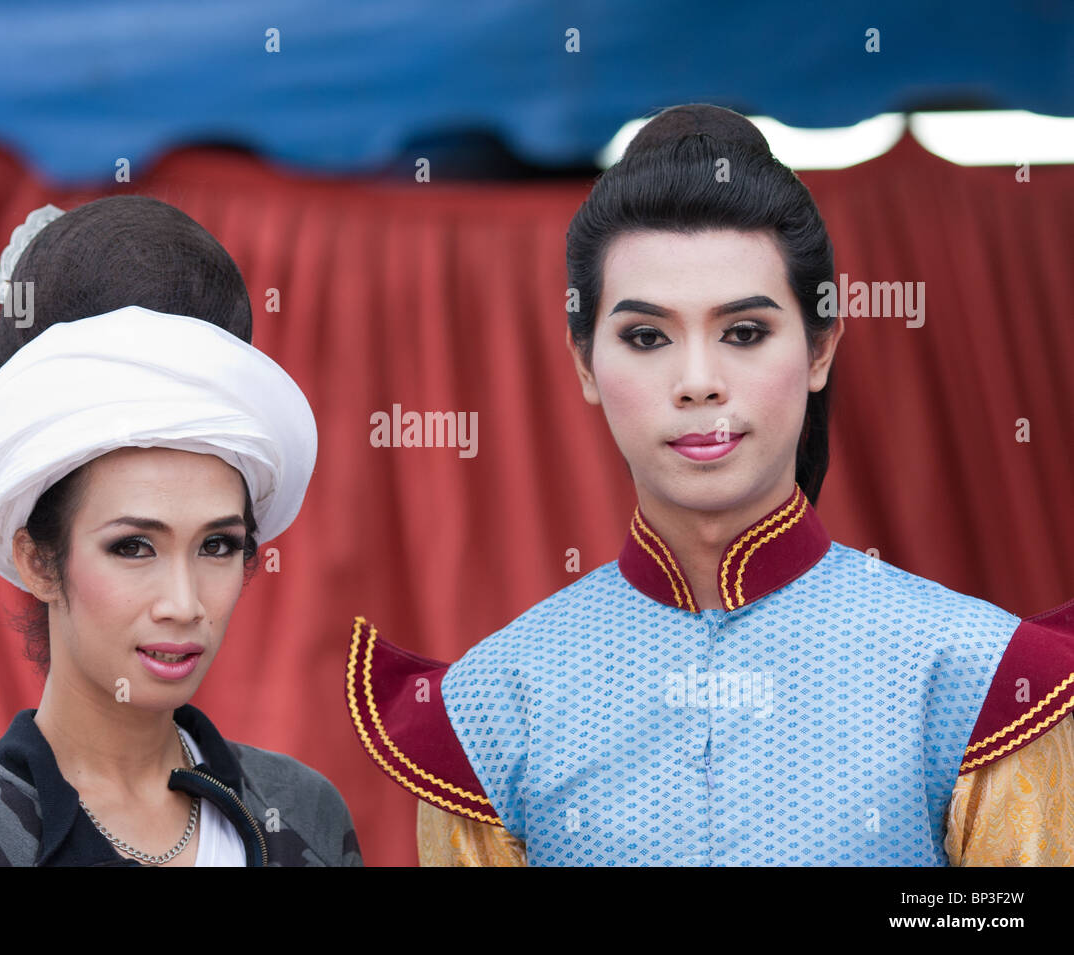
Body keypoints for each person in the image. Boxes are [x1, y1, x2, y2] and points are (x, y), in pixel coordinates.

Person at [345, 105, 1074, 866]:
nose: (697, 382)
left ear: (821, 348)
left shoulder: (979, 679)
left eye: (745, 332)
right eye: (648, 337)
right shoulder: (493, 709)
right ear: (585, 364)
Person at [0, 196, 362, 866]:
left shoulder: (304, 816)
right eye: (133, 546)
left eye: (217, 545)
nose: (185, 602)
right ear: (38, 560)